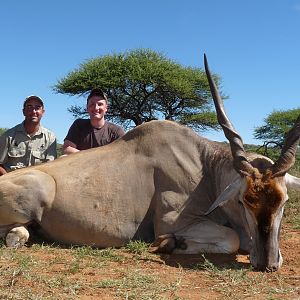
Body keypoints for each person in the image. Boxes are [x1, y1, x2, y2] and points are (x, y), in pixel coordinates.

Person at [0, 95, 57, 176]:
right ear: (23, 111)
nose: (33, 111)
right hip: (11, 182)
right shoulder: (8, 136)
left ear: (43, 112)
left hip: (38, 183)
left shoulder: (50, 138)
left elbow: (51, 166)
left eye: (37, 107)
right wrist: (8, 179)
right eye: (29, 107)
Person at [63, 88, 125, 154]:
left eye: (100, 104)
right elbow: (67, 149)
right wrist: (90, 157)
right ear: (87, 108)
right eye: (92, 104)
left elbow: (122, 154)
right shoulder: (79, 125)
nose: (96, 108)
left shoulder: (116, 131)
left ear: (106, 108)